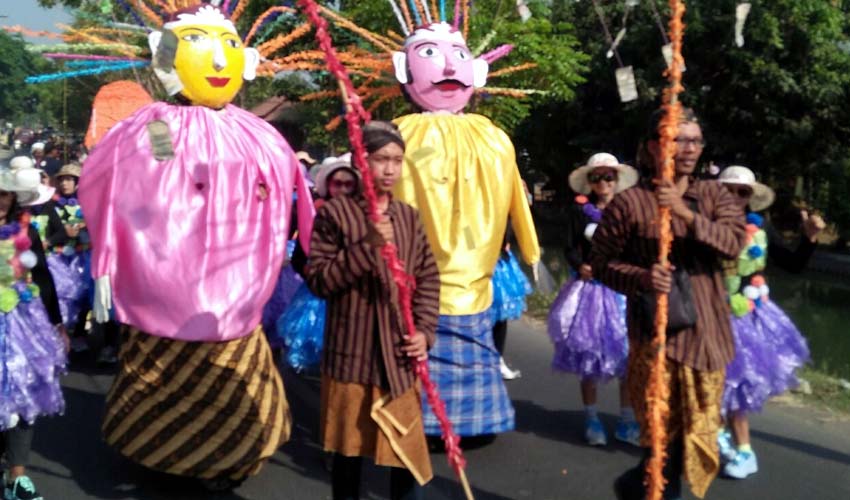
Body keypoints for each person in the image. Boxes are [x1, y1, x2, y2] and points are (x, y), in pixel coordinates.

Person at [77, 3, 314, 489]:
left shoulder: (257, 135)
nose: (221, 63)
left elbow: (295, 196)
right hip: (164, 285)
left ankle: (229, 455)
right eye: (203, 46)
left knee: (230, 386)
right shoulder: (156, 128)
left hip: (240, 293)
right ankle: (161, 458)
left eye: (229, 47)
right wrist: (108, 260)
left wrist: (310, 249)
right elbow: (127, 183)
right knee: (160, 385)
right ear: (166, 57)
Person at [391, 21, 540, 438]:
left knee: (470, 339)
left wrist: (528, 248)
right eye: (428, 54)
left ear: (477, 70)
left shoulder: (493, 136)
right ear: (403, 69)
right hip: (418, 279)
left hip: (477, 273)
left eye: (457, 54)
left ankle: (469, 423)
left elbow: (515, 196)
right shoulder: (400, 135)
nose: (447, 66)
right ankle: (433, 422)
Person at [591, 108, 746, 500]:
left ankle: (635, 486)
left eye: (695, 140)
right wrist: (642, 278)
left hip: (707, 339)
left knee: (690, 443)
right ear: (652, 148)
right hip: (654, 343)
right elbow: (602, 265)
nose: (689, 148)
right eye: (678, 139)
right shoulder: (629, 204)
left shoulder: (714, 195)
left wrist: (685, 215)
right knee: (658, 444)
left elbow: (733, 246)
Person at [305, 121, 440, 500]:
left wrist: (424, 332)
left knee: (405, 459)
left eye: (397, 160)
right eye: (381, 159)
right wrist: (367, 246)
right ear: (361, 161)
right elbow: (319, 280)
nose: (390, 169)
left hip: (399, 360)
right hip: (352, 358)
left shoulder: (410, 218)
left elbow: (429, 279)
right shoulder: (336, 215)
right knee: (349, 463)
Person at [716, 165, 824, 479]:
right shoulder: (705, 226)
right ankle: (718, 437)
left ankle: (745, 452)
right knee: (711, 386)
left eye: (742, 192)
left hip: (746, 318)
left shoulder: (760, 230)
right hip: (711, 316)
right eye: (729, 190)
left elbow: (792, 264)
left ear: (750, 197)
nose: (735, 197)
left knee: (735, 387)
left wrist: (809, 240)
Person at [548, 152, 640, 447]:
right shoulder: (579, 211)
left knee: (627, 356)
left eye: (608, 176)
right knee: (590, 356)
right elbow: (570, 247)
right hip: (590, 290)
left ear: (617, 180)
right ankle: (592, 418)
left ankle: (627, 419)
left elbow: (636, 248)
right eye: (596, 177)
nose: (603, 182)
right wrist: (580, 265)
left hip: (621, 289)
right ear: (589, 181)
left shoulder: (627, 210)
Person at [0, 164, 69, 500]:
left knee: (23, 394)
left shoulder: (24, 231)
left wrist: (57, 323)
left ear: (14, 196)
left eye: (4, 193)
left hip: (21, 323)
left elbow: (42, 277)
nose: (0, 200)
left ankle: (17, 477)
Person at [274, 154, 361, 372]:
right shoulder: (317, 213)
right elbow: (300, 255)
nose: (342, 189)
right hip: (318, 293)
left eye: (348, 184)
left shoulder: (363, 216)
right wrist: (315, 278)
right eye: (337, 184)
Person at [492, 179, 535, 381]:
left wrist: (522, 194)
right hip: (476, 262)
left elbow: (524, 210)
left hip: (501, 261)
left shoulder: (509, 185)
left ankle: (498, 359)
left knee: (501, 315)